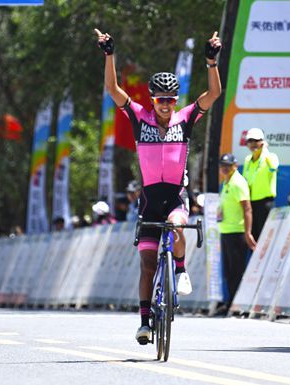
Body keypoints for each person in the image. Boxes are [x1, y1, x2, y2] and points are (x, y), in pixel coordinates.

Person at [96, 27, 221, 345]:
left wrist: (211, 62)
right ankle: (144, 323)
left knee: (176, 225)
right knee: (147, 264)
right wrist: (110, 55)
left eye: (170, 100)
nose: (166, 105)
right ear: (152, 100)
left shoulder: (186, 118)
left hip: (176, 196)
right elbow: (112, 88)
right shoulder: (140, 118)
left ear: (176, 101)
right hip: (150, 199)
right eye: (160, 100)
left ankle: (179, 269)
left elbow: (213, 94)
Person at [218, 154, 256, 309]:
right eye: (222, 165)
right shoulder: (226, 182)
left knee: (237, 271)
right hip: (226, 231)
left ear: (235, 166)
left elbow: (247, 209)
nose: (225, 168)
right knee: (229, 272)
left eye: (228, 165)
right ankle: (232, 303)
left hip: (237, 232)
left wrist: (248, 233)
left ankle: (239, 305)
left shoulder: (238, 183)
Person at [241, 128, 278, 240]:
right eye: (250, 141)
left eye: (256, 140)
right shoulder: (247, 160)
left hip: (265, 204)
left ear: (262, 142)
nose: (253, 144)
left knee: (265, 238)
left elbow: (273, 167)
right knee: (253, 237)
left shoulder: (271, 157)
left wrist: (265, 151)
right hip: (251, 205)